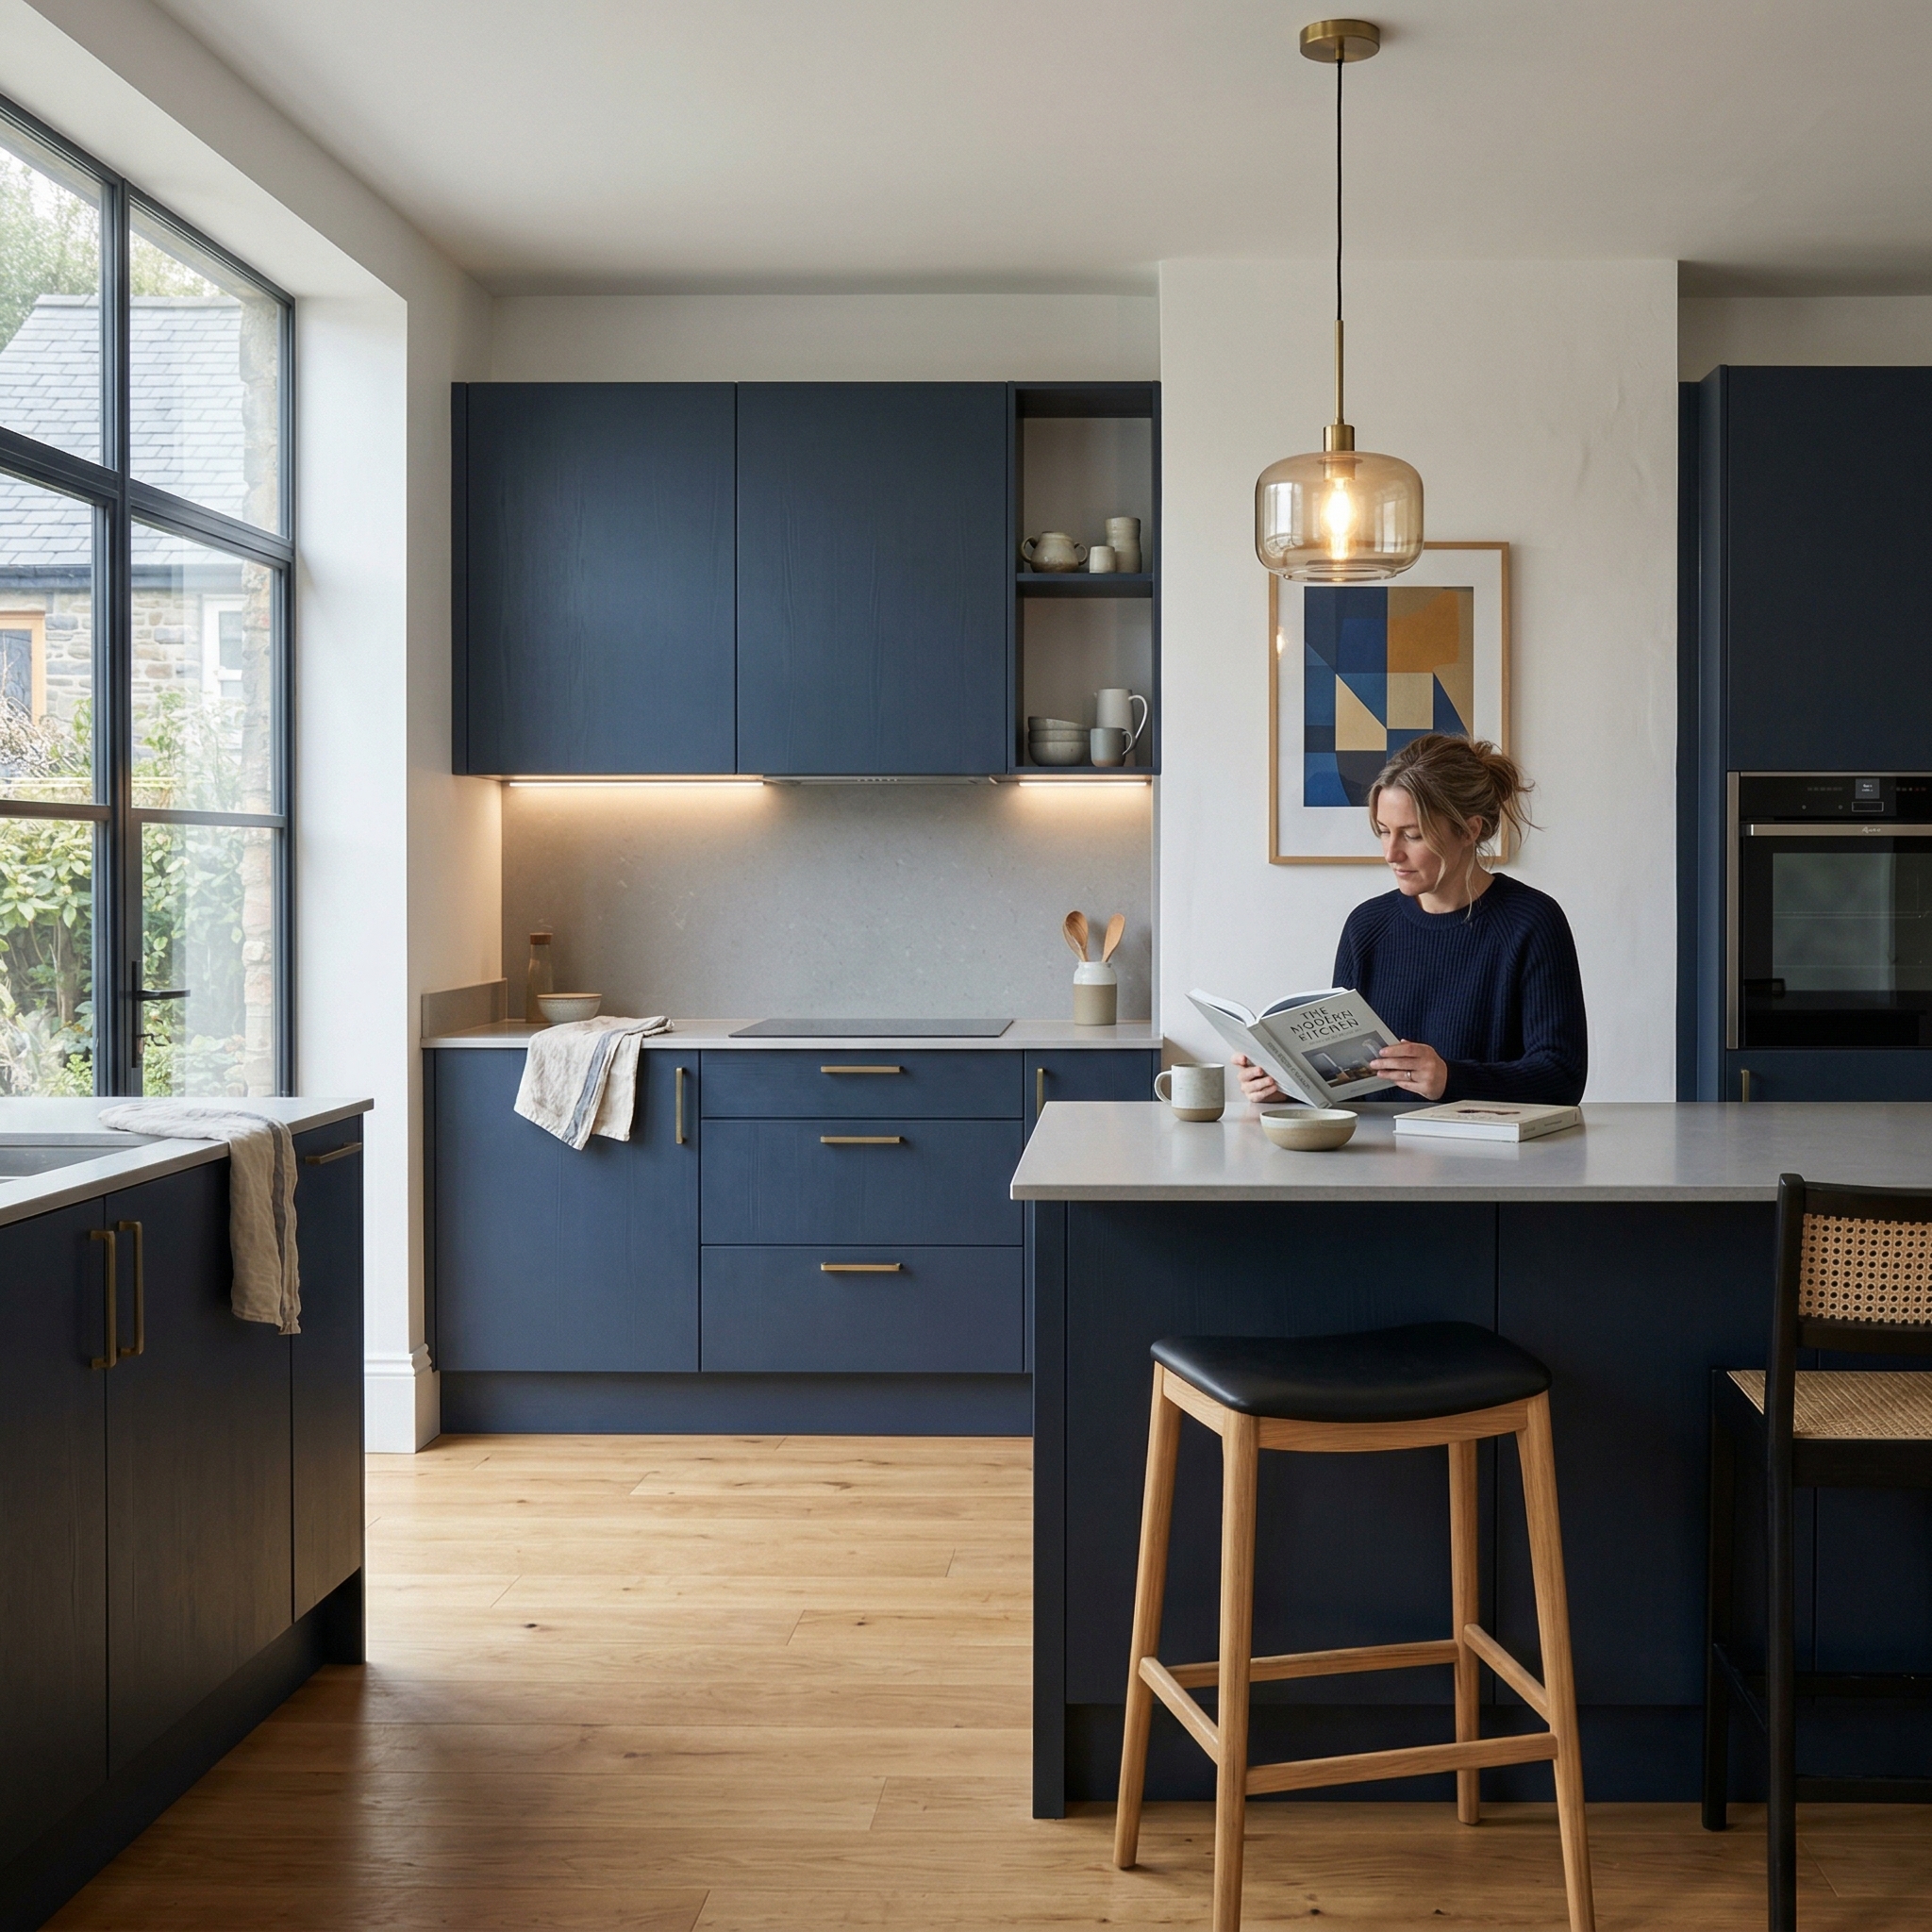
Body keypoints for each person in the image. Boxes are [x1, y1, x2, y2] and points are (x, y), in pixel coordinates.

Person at [1235, 734, 1587, 1108]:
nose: (1391, 853)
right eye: (1384, 832)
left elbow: (1561, 1077)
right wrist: (1288, 1087)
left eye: (1412, 835)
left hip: (1490, 1159)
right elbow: (1348, 1082)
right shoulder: (1367, 926)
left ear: (1470, 830)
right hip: (1373, 1159)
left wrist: (1450, 1079)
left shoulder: (1532, 922)